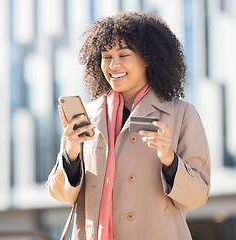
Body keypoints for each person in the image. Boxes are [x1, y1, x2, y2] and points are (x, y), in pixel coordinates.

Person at [47, 12, 211, 240]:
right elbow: (61, 195)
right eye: (106, 56)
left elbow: (197, 196)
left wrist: (169, 160)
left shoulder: (181, 114)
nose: (113, 65)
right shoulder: (88, 115)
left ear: (147, 58)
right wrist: (71, 154)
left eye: (124, 55)